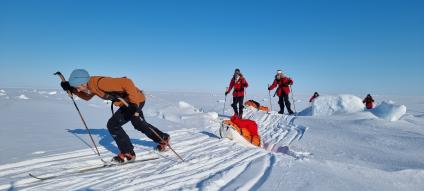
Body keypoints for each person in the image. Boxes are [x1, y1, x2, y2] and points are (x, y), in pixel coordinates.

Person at [60, 69, 170, 163]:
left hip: (135, 101)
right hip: (127, 103)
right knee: (137, 123)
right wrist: (72, 90)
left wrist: (133, 105)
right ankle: (163, 138)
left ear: (84, 82)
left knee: (114, 124)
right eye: (76, 88)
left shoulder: (100, 83)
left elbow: (127, 82)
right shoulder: (90, 86)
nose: (78, 89)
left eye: (78, 87)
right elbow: (87, 97)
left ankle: (128, 153)